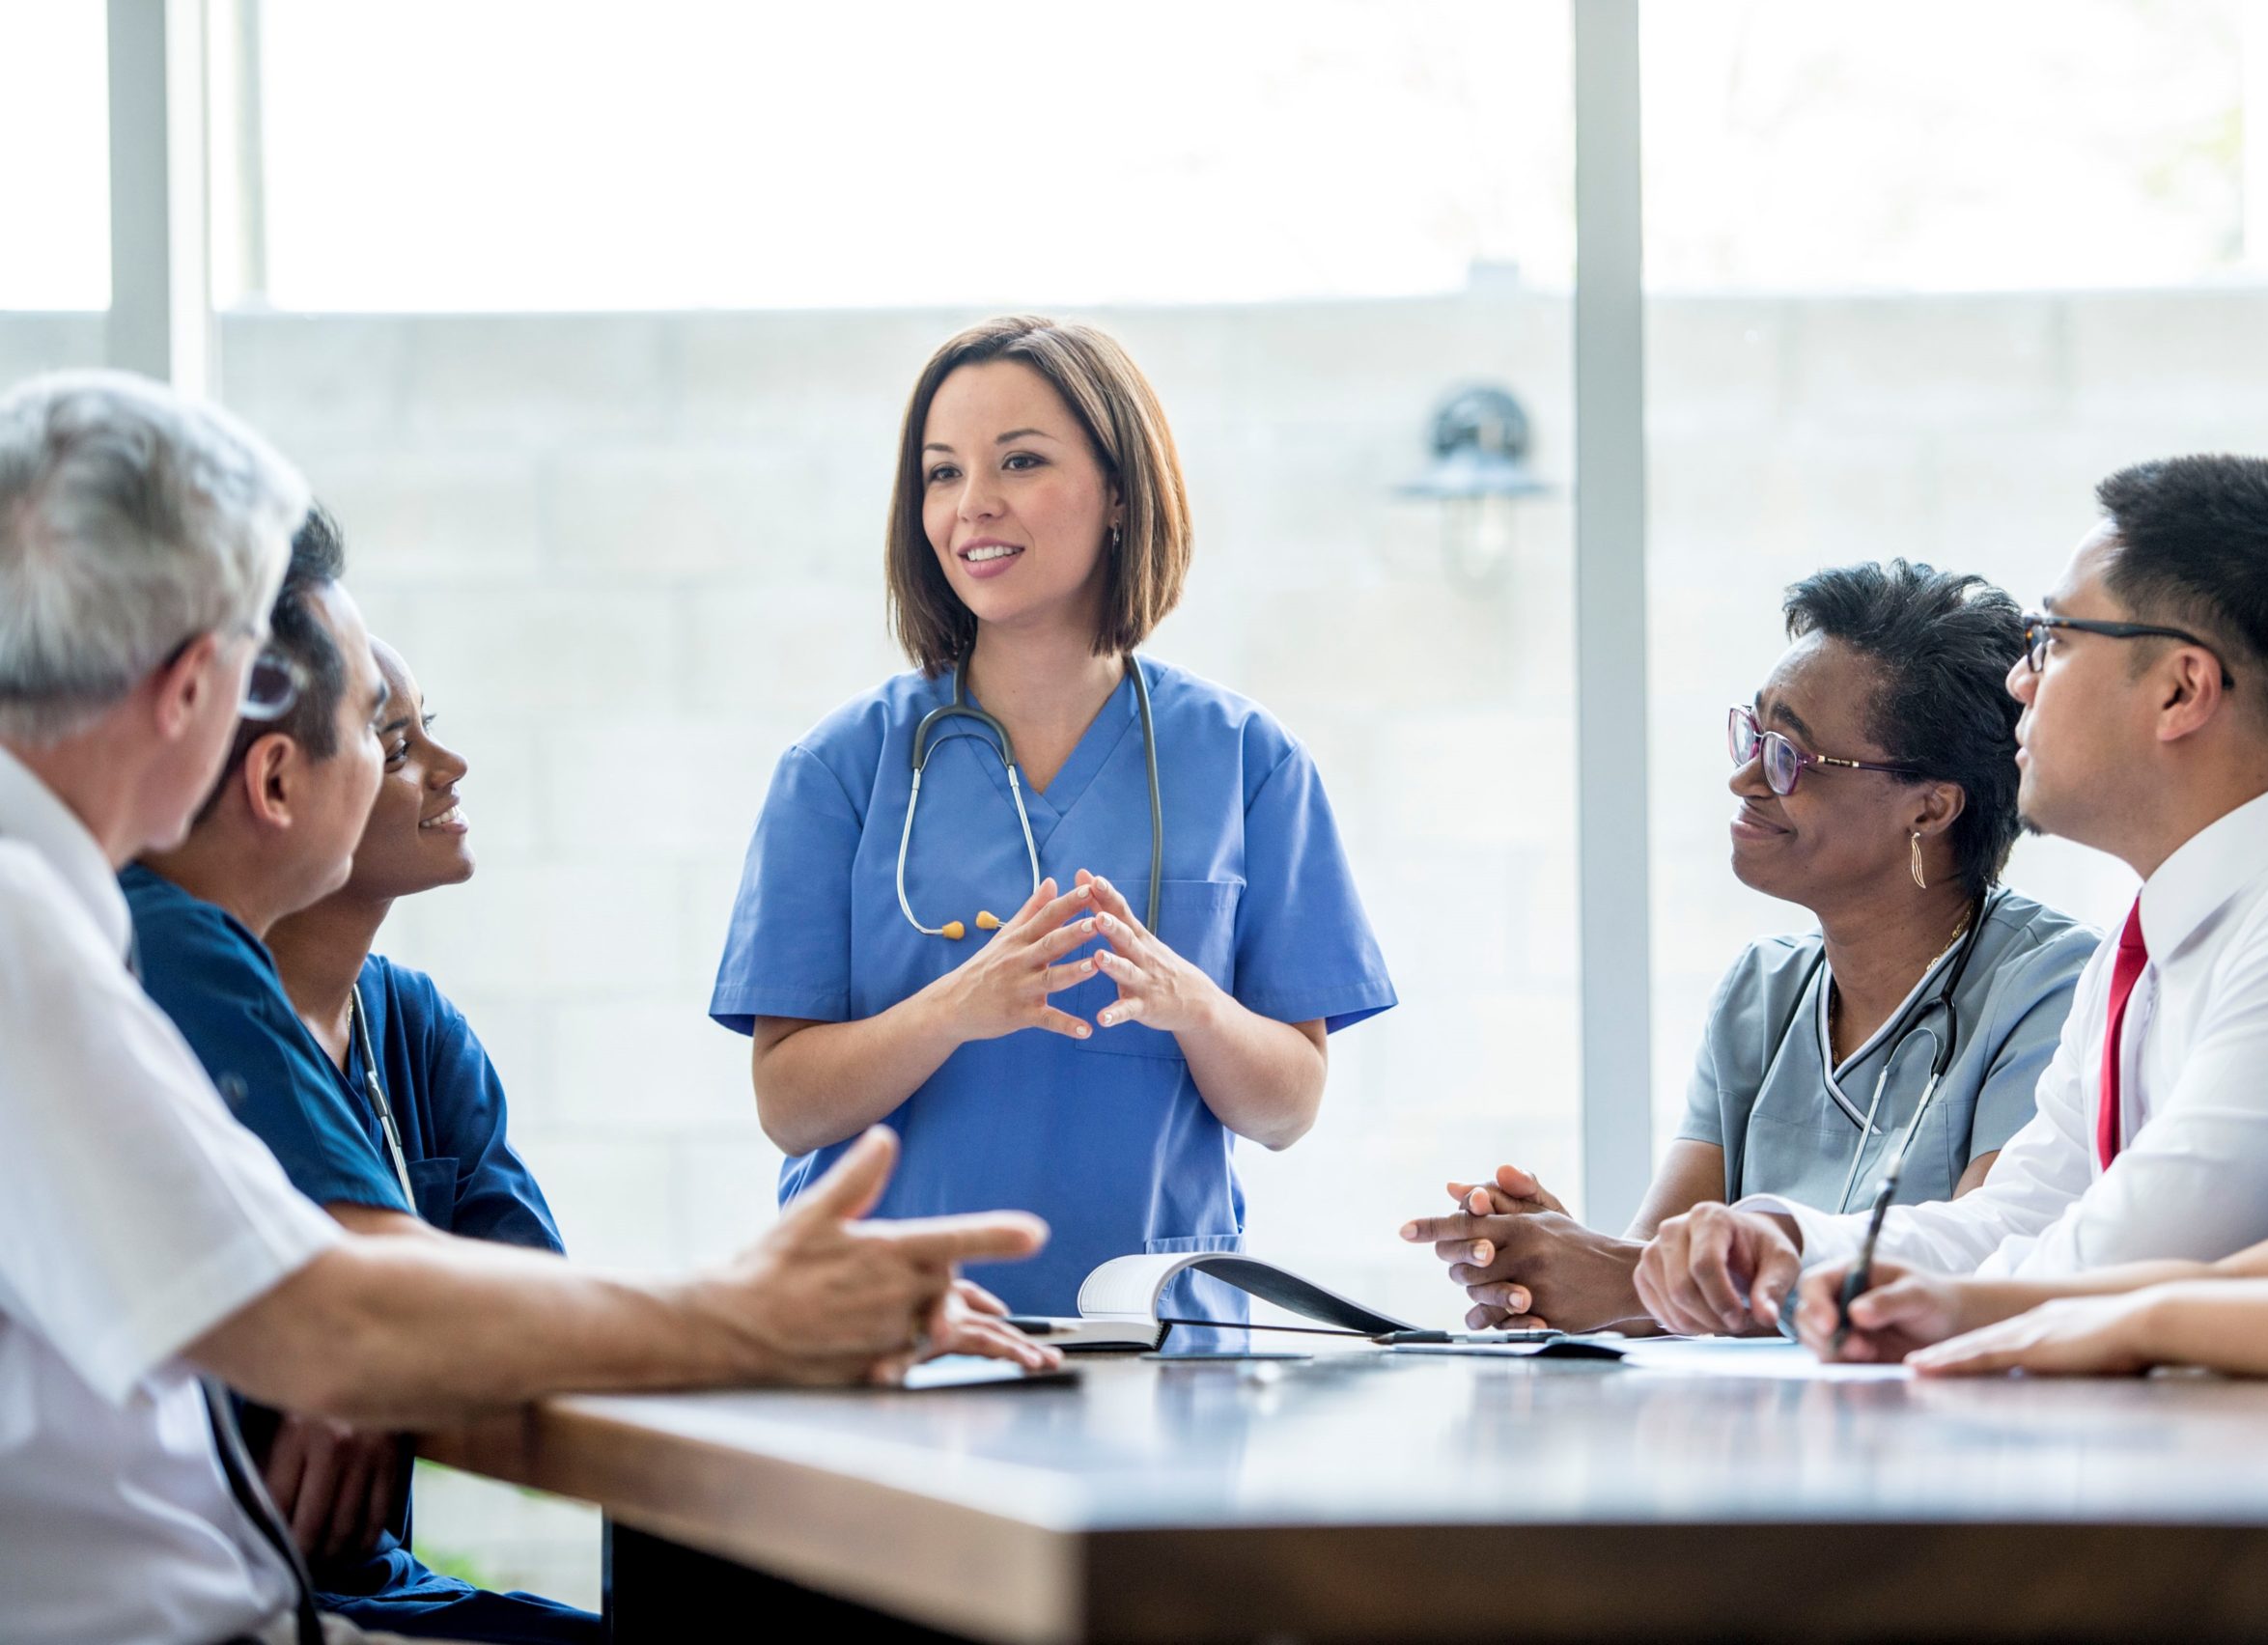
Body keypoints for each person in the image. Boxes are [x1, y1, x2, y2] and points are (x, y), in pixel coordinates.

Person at [0, 369, 1054, 1645]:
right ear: (187, 691)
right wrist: (761, 1310)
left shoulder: (103, 933)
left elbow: (334, 1304)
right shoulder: (32, 936)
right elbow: (325, 1320)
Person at [1631, 455, 2268, 1337]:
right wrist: (1794, 1244)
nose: (2019, 680)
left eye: (2056, 641)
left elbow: (2126, 1257)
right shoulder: (2150, 937)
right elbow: (2020, 1216)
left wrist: (1861, 1289)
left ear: (2181, 689)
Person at [711, 316, 1396, 1324]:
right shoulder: (839, 769)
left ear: (1120, 491)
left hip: (1154, 1336)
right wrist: (954, 1007)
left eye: (1019, 461)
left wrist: (1191, 1004)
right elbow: (790, 1107)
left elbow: (1286, 1109)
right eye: (941, 474)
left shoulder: (1248, 762)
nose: (971, 506)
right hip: (891, 1340)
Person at [1399, 562, 2095, 1332]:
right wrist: (1552, 1266)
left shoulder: (2053, 989)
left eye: (1789, 756)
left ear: (1929, 808)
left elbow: (1991, 1268)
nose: (1743, 779)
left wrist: (1614, 1277)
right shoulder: (1762, 990)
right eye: (1753, 734)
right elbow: (1651, 1280)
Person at [125, 507, 586, 1638]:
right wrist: (375, 1327)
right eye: (386, 735)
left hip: (359, 1579)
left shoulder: (413, 1025)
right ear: (276, 782)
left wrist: (384, 1343)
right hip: (240, 1587)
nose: (443, 764)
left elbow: (526, 1296)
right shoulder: (161, 952)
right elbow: (387, 1303)